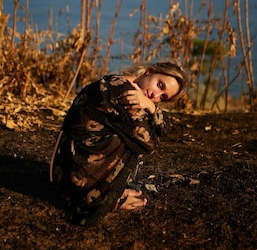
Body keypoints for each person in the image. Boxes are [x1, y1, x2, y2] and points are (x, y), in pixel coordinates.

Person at [49, 62, 187, 226]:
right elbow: (149, 145)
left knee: (128, 137)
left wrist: (150, 106)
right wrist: (152, 113)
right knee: (131, 142)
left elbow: (164, 128)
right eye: (159, 85)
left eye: (163, 97)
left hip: (66, 169)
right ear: (149, 72)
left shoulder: (122, 84)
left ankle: (107, 192)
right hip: (75, 179)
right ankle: (102, 199)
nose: (155, 95)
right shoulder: (123, 93)